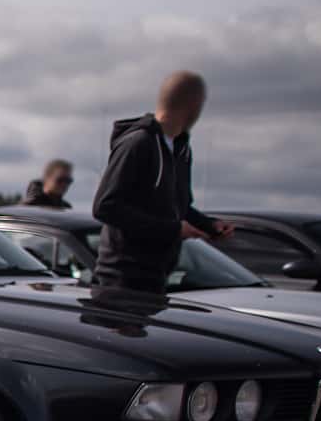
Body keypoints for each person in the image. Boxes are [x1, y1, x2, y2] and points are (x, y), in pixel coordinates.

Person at [90, 71, 232, 292]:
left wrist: (210, 225)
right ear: (193, 105)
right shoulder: (138, 143)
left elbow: (180, 207)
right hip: (122, 281)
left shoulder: (181, 149)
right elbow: (105, 207)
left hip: (157, 276)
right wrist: (173, 229)